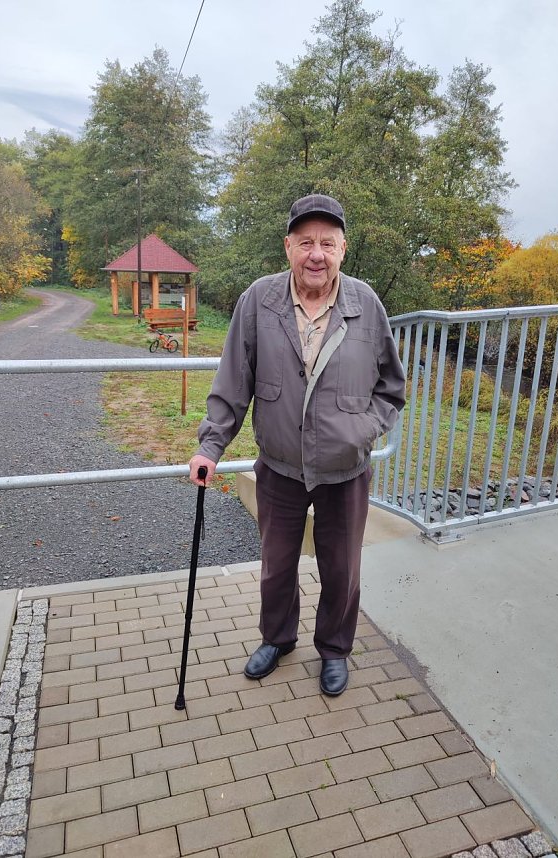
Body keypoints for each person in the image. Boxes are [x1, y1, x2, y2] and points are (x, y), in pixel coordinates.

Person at [190, 194, 406, 695]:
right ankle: (278, 638)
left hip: (344, 469)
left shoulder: (366, 305)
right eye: (305, 242)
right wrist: (211, 446)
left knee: (341, 568)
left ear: (343, 249)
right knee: (277, 563)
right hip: (281, 466)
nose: (316, 254)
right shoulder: (259, 301)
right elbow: (232, 382)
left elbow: (391, 387)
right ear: (288, 247)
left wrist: (362, 430)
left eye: (327, 244)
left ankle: (334, 649)